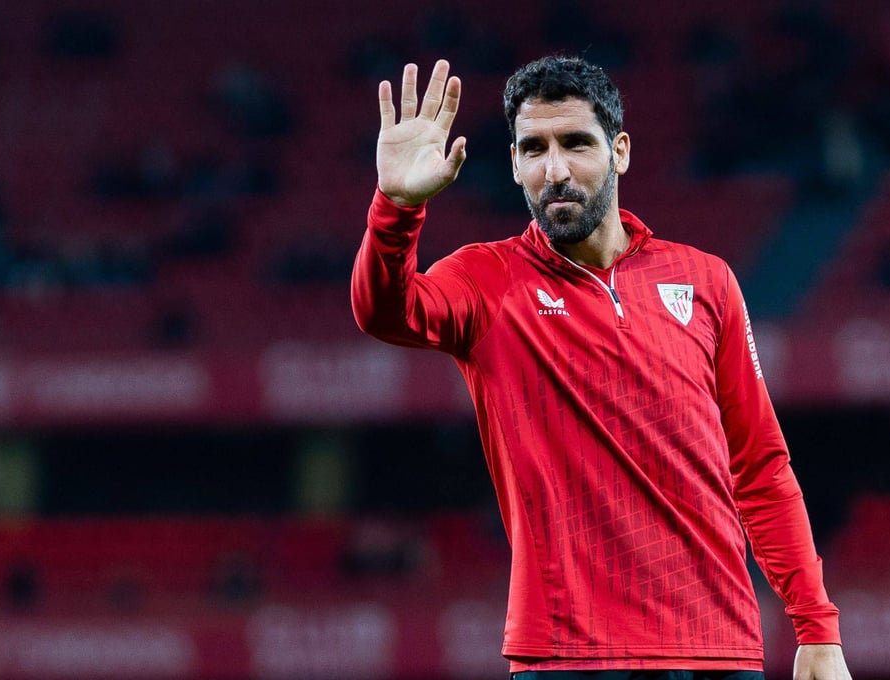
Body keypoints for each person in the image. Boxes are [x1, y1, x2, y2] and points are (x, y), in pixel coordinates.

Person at [351, 57, 852, 680]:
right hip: (568, 654)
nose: (555, 170)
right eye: (533, 149)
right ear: (514, 165)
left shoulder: (705, 280)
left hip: (718, 647)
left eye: (576, 143)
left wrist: (817, 629)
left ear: (620, 152)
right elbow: (384, 312)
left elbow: (761, 468)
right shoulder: (487, 279)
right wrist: (396, 209)